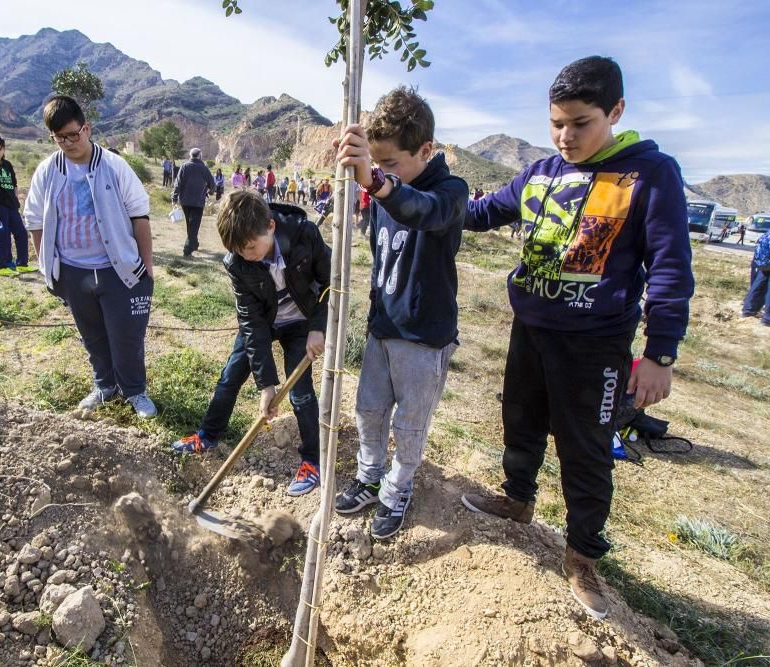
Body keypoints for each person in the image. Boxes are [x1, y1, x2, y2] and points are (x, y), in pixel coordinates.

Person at [459, 57, 695, 621]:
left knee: (586, 448)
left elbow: (670, 267)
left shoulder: (649, 174)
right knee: (519, 416)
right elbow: (480, 213)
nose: (566, 136)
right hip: (532, 328)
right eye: (556, 123)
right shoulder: (540, 172)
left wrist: (659, 354)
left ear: (615, 112)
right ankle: (516, 498)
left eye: (581, 123)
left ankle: (583, 556)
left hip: (596, 343)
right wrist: (400, 186)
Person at [332, 86, 468, 540]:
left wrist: (377, 180)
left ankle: (397, 487)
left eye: (391, 163)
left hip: (424, 337)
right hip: (383, 328)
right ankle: (370, 477)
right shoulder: (386, 190)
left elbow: (421, 211)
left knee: (410, 424)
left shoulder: (450, 191)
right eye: (378, 162)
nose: (383, 171)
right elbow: (381, 256)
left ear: (425, 150)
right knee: (368, 411)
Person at [171, 190, 330, 496]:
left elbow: (329, 282)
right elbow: (252, 323)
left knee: (301, 394)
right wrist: (266, 385)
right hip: (264, 319)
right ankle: (208, 435)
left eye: (250, 248)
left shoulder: (303, 235)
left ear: (270, 226)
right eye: (238, 251)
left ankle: (313, 460)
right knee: (231, 376)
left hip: (300, 323)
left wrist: (318, 328)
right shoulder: (236, 263)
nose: (246, 255)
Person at [23, 95, 157, 418]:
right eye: (59, 138)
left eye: (73, 134)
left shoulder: (114, 166)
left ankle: (135, 391)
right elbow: (35, 221)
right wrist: (47, 267)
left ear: (87, 128)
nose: (68, 143)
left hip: (118, 270)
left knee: (126, 334)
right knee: (92, 334)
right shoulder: (48, 172)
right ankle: (104, 385)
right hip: (73, 271)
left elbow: (140, 217)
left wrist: (147, 269)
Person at [0, 135, 35, 277]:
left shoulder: (7, 164)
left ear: (4, 149)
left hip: (11, 205)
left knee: (21, 233)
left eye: (0, 149)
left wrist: (16, 200)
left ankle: (22, 264)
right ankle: (2, 266)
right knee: (2, 234)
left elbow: (14, 184)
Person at [172, 147, 216, 257]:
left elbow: (177, 184)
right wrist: (210, 192)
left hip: (185, 201)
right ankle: (187, 250)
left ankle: (194, 244)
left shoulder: (184, 166)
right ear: (200, 156)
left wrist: (174, 198)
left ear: (190, 156)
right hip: (198, 202)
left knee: (190, 224)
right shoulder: (204, 168)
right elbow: (213, 185)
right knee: (194, 226)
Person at [742, 228, 770, 324]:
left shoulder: (767, 233)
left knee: (759, 284)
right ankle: (767, 318)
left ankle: (748, 310)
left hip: (762, 263)